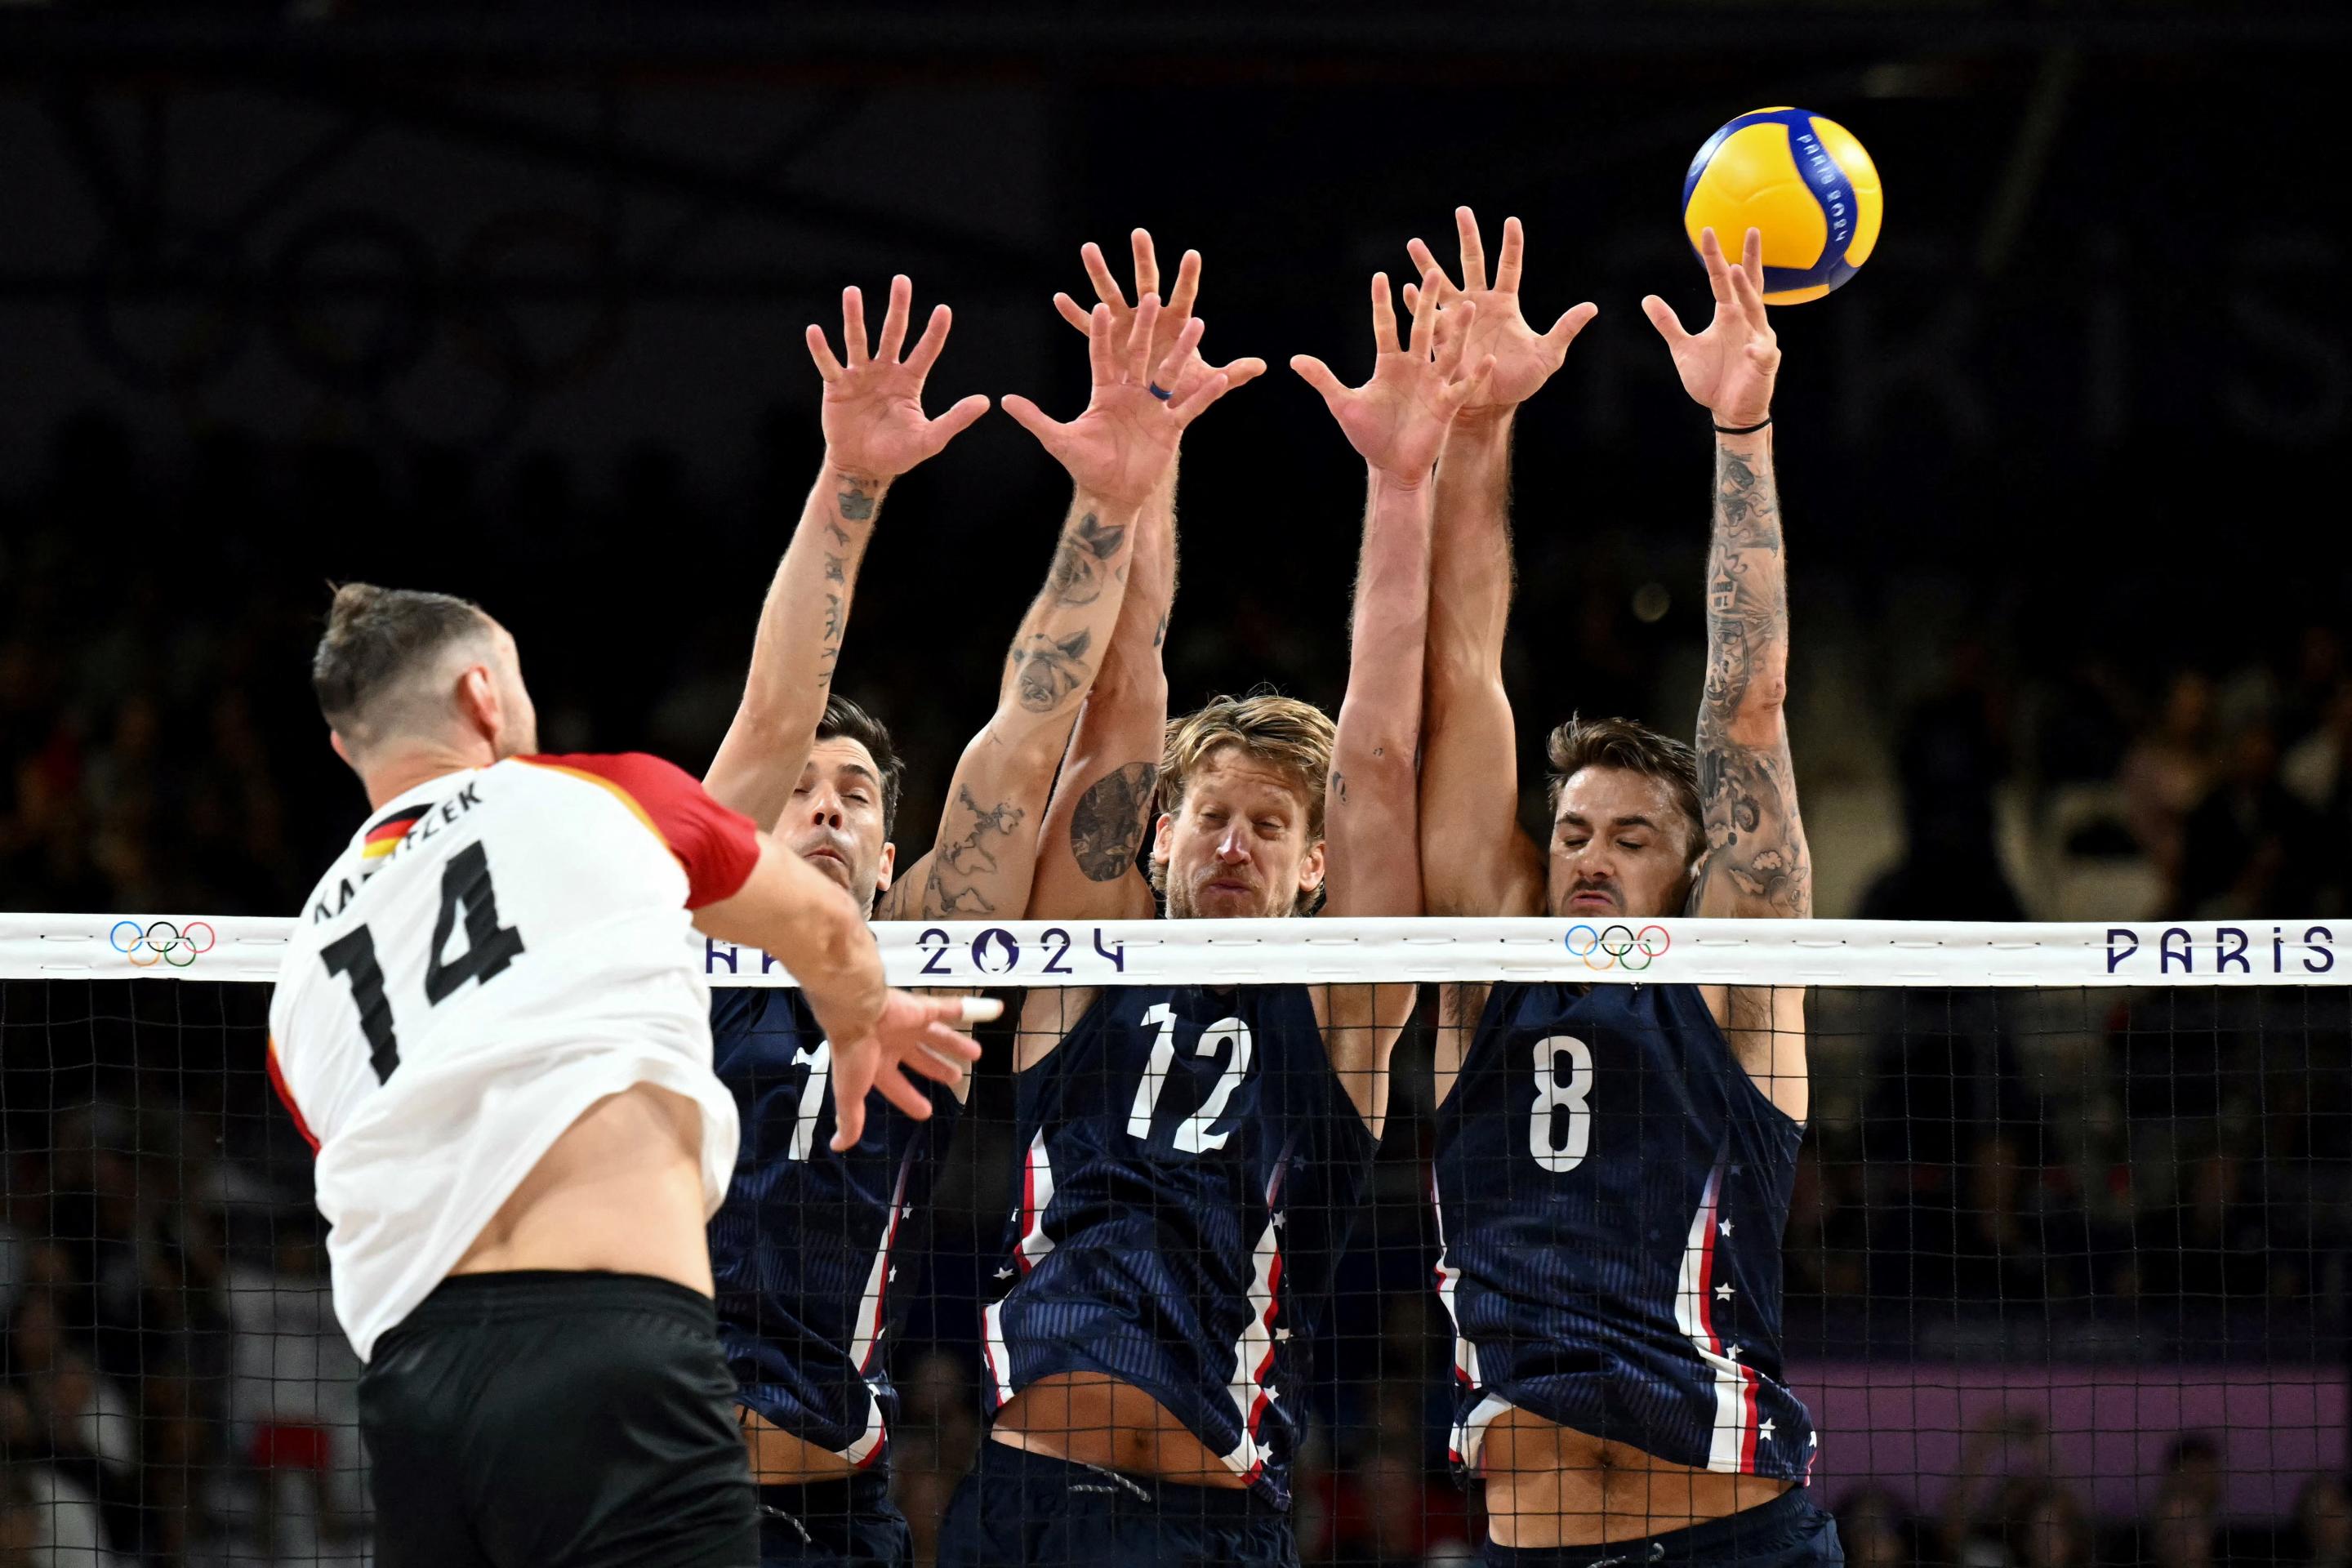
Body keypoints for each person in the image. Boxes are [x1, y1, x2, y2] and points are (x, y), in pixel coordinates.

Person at [938, 232, 1491, 1566]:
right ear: (1164, 839)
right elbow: (1123, 687)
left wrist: (1402, 485)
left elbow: (1380, 754)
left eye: (1271, 826)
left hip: (1214, 1513)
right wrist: (1140, 466)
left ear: (1315, 868)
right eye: (1212, 817)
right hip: (1026, 1506)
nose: (1235, 844)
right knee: (1114, 693)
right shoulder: (1084, 969)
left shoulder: (1345, 1014)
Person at [265, 584, 991, 1568]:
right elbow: (816, 893)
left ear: (348, 747)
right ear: (485, 696)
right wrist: (865, 1009)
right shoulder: (593, 804)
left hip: (416, 1384)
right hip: (611, 1343)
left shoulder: (304, 963)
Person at [694, 273, 1241, 1566]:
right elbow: (781, 698)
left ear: (893, 857)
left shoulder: (922, 946)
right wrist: (851, 482)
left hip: (834, 1502)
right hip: (663, 1488)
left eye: (857, 796)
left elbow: (1031, 728)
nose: (823, 811)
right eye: (800, 795)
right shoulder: (690, 915)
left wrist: (1111, 497)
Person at [1413, 212, 1833, 1564]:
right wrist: (1478, 428)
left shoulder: (1737, 987)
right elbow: (1463, 672)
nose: (1590, 854)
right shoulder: (1491, 977)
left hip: (1733, 1538)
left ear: (1695, 868)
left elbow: (1749, 708)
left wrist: (1741, 433)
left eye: (1633, 834)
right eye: (1574, 830)